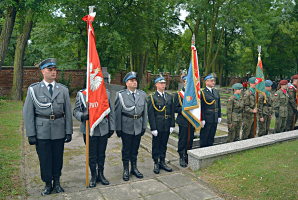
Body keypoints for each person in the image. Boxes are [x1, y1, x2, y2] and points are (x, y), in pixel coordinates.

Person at [23, 58, 73, 196]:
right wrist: (31, 133)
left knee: (58, 157)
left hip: (58, 129)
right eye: (50, 70)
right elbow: (28, 112)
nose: (53, 72)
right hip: (42, 131)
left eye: (55, 69)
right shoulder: (34, 89)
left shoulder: (63, 90)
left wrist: (68, 131)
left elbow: (68, 112)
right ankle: (47, 184)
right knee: (44, 158)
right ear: (42, 71)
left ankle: (57, 182)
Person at [73, 88, 115, 187]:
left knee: (101, 153)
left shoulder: (106, 93)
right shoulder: (82, 94)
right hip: (89, 129)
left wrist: (112, 127)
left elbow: (110, 111)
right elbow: (76, 111)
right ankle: (93, 176)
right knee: (91, 155)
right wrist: (82, 116)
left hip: (103, 128)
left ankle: (101, 174)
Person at [114, 71, 147, 181]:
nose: (134, 82)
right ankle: (126, 170)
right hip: (126, 126)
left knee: (135, 149)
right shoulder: (121, 95)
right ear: (126, 83)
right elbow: (117, 112)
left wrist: (144, 126)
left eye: (135, 80)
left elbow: (144, 112)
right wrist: (117, 128)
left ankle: (134, 168)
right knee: (126, 149)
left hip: (138, 126)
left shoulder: (142, 94)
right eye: (131, 81)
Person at [147, 75, 175, 174]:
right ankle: (156, 162)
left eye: (164, 83)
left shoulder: (169, 96)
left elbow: (172, 112)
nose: (163, 85)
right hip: (158, 125)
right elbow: (151, 114)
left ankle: (162, 162)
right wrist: (153, 128)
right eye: (161, 83)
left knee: (164, 144)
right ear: (156, 84)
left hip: (167, 125)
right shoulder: (152, 97)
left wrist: (172, 125)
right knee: (156, 145)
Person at [174, 75, 195, 167]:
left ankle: (188, 155)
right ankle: (181, 156)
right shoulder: (179, 94)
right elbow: (176, 108)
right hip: (183, 120)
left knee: (190, 139)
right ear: (184, 82)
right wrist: (185, 110)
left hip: (192, 120)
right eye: (187, 81)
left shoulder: (194, 94)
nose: (188, 82)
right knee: (183, 139)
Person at [200, 74, 221, 147]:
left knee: (212, 136)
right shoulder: (202, 92)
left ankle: (209, 150)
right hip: (207, 117)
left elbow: (218, 104)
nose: (213, 82)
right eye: (211, 81)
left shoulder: (216, 91)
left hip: (214, 117)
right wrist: (202, 119)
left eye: (214, 81)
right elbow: (201, 107)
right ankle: (202, 151)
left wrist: (219, 116)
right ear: (206, 82)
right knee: (204, 136)